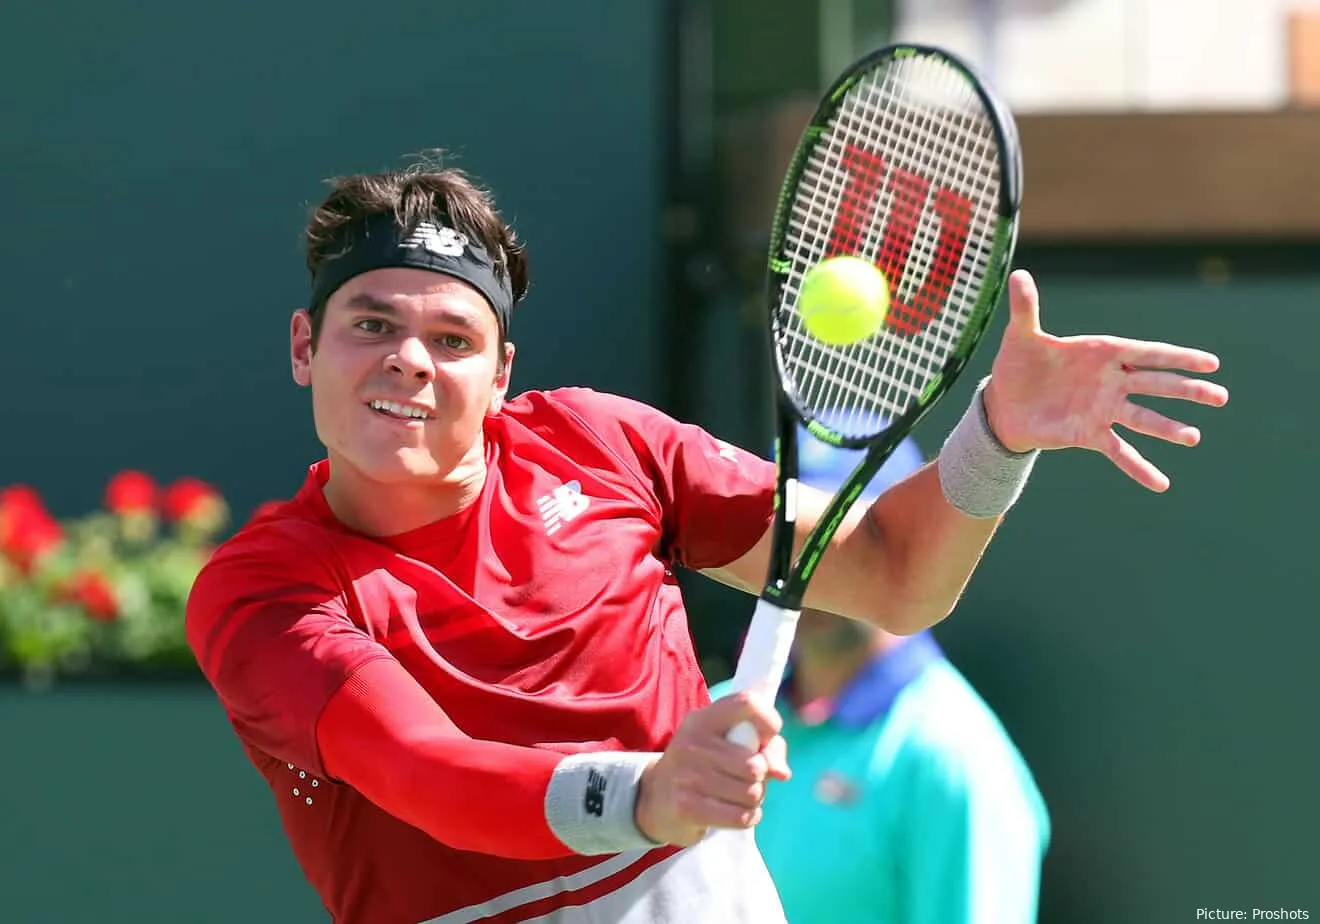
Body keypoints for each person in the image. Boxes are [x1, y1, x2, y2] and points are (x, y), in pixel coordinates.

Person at [184, 152, 1228, 924]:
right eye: (371, 323)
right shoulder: (261, 592)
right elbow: (427, 771)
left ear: (501, 374)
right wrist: (645, 792)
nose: (410, 360)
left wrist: (996, 435)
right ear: (303, 346)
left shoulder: (602, 443)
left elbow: (894, 575)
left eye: (453, 339)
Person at [711, 430, 1050, 923]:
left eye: (844, 538)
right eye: (799, 535)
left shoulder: (955, 763)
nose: (812, 567)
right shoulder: (714, 716)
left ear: (904, 548)